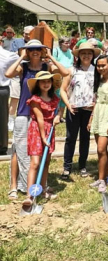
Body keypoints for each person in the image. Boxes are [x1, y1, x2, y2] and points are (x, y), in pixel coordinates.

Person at [5, 40, 68, 200]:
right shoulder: (23, 67)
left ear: (42, 51)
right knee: (18, 150)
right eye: (31, 49)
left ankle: (41, 185)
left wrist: (51, 57)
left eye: (37, 49)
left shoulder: (47, 67)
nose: (34, 52)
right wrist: (21, 57)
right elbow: (8, 74)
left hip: (42, 116)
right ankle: (14, 185)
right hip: (23, 112)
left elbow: (65, 73)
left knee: (39, 153)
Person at [21, 71, 62, 210]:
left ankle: (43, 190)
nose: (46, 84)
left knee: (46, 162)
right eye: (43, 81)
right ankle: (29, 195)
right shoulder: (35, 99)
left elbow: (60, 109)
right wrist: (44, 138)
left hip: (50, 130)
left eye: (48, 81)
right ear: (38, 83)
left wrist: (58, 117)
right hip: (38, 131)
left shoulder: (55, 98)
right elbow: (39, 119)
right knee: (36, 162)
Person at [60, 42, 100, 180]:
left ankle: (82, 165)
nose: (86, 56)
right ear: (79, 55)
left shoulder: (97, 70)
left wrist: (96, 105)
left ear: (93, 55)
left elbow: (99, 91)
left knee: (85, 138)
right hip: (74, 108)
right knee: (70, 138)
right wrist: (68, 105)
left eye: (89, 53)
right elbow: (62, 90)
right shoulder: (71, 70)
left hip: (89, 109)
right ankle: (67, 167)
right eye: (83, 53)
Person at [88, 55, 108, 193]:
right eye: (98, 66)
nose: (101, 68)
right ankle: (102, 177)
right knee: (101, 152)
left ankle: (103, 181)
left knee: (101, 149)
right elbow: (96, 100)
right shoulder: (98, 81)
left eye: (103, 65)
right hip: (98, 114)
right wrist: (91, 118)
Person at [0, 46, 18, 156]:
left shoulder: (7, 55)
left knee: (2, 118)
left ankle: (2, 146)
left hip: (1, 88)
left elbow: (22, 59)